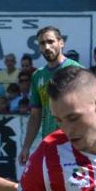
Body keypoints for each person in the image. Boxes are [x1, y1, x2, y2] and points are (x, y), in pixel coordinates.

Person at [18, 26, 82, 166]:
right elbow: (35, 115)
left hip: (74, 144)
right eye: (42, 43)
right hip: (50, 143)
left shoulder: (76, 71)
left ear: (61, 42)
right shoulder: (37, 76)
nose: (46, 47)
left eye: (50, 41)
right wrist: (26, 146)